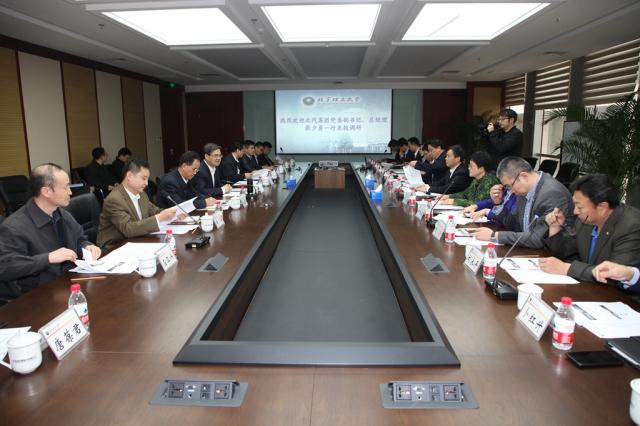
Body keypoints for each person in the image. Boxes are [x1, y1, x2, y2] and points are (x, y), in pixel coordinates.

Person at [0, 163, 101, 293]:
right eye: (65, 187)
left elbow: (79, 239)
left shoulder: (62, 214)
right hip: (40, 293)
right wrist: (48, 258)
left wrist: (87, 247)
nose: (70, 192)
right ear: (46, 191)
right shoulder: (14, 227)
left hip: (70, 281)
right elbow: (6, 268)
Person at [539, 174, 640, 282]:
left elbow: (613, 274)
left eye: (580, 207)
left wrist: (567, 269)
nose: (575, 211)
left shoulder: (631, 227)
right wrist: (555, 228)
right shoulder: (585, 220)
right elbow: (571, 253)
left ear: (602, 207)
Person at [474, 156, 573, 248]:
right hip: (528, 250)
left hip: (550, 254)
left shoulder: (552, 193)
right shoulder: (524, 190)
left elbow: (538, 239)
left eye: (509, 186)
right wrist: (498, 203)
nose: (510, 191)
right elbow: (513, 225)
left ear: (524, 176)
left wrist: (494, 235)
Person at [97, 160, 178, 248]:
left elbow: (155, 211)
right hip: (114, 246)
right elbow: (128, 229)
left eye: (147, 179)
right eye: (143, 178)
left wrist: (174, 214)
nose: (146, 183)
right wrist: (159, 218)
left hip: (135, 240)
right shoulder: (114, 199)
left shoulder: (142, 194)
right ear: (129, 176)